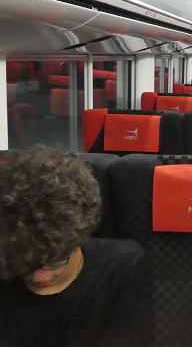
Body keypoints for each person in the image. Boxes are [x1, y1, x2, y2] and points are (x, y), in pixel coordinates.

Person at [0, 146, 146, 346]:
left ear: (77, 237)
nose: (39, 277)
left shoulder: (120, 267)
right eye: (24, 264)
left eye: (55, 260)